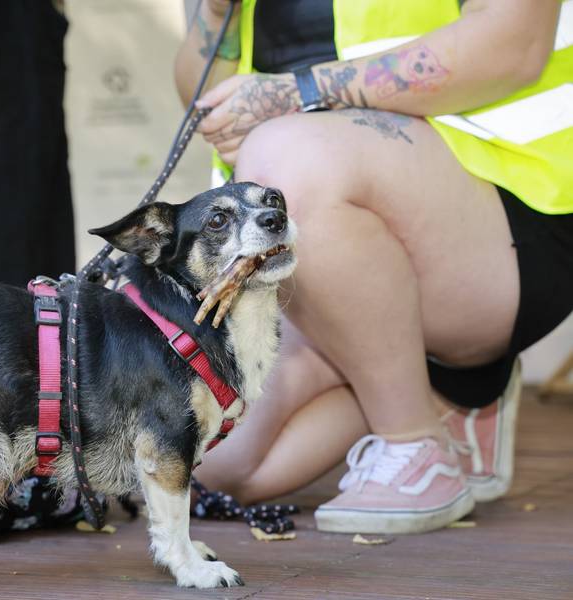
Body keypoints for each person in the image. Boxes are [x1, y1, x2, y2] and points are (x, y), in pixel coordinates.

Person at [176, 0, 572, 533]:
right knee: (214, 459)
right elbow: (202, 97)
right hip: (323, 247)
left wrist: (297, 95)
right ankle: (446, 394)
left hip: (512, 209)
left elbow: (515, 44)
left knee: (286, 156)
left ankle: (415, 442)